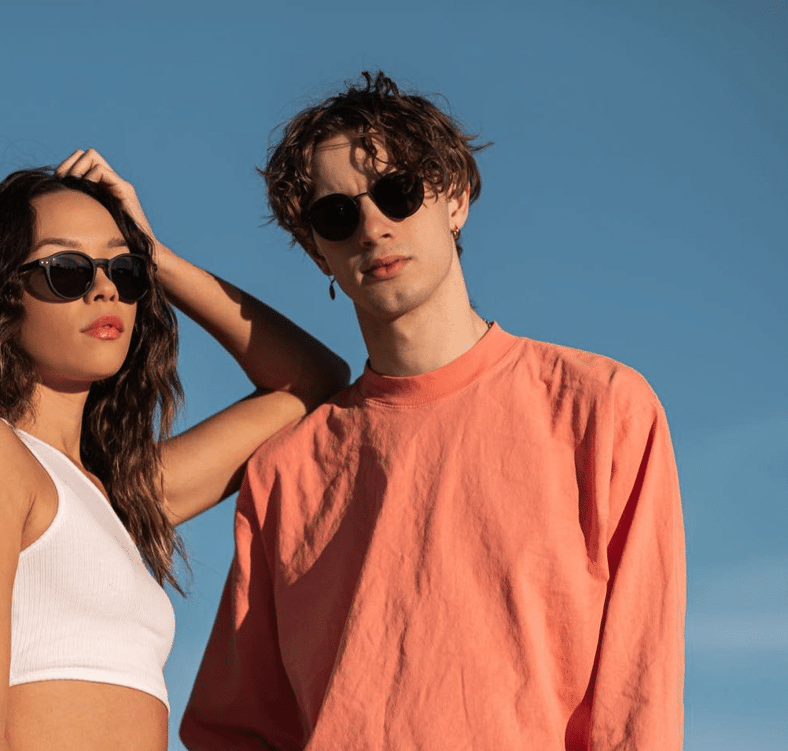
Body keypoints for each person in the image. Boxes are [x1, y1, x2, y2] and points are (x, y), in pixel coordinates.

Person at [181, 72, 685, 750]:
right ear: (317, 250)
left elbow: (637, 701)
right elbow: (234, 727)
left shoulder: (604, 410)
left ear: (455, 199)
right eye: (338, 214)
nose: (373, 226)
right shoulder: (283, 473)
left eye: (398, 191)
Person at [0, 149, 349, 751]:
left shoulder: (117, 496)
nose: (105, 288)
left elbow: (314, 386)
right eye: (68, 270)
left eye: (124, 272)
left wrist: (159, 257)